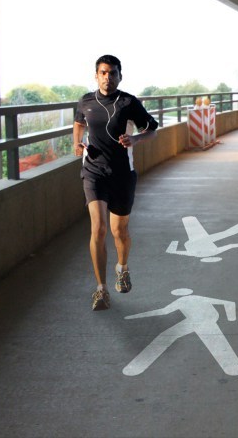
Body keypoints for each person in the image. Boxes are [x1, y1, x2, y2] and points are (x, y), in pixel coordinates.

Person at [73, 55, 158, 311]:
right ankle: (101, 289)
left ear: (120, 76)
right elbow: (78, 124)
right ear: (96, 75)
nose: (107, 78)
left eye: (112, 73)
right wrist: (77, 143)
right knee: (98, 229)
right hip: (93, 172)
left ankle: (122, 267)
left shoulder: (128, 102)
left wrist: (136, 139)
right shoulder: (86, 101)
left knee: (119, 231)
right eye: (103, 73)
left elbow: (152, 128)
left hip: (122, 173)